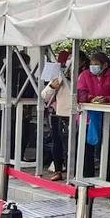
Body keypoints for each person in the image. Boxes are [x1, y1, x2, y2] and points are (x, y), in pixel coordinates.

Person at [41, 50, 86, 181]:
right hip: (60, 114)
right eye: (69, 58)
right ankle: (58, 170)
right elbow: (44, 95)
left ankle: (74, 172)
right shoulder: (60, 76)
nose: (70, 61)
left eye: (74, 59)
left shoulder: (83, 76)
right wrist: (53, 85)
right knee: (57, 143)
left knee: (72, 145)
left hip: (77, 115)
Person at [77, 51, 110, 178]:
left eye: (96, 64)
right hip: (87, 117)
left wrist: (106, 99)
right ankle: (87, 176)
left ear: (105, 65)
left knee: (106, 147)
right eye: (91, 64)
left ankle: (107, 176)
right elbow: (80, 93)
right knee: (86, 148)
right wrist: (91, 98)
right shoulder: (84, 75)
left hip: (107, 117)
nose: (93, 67)